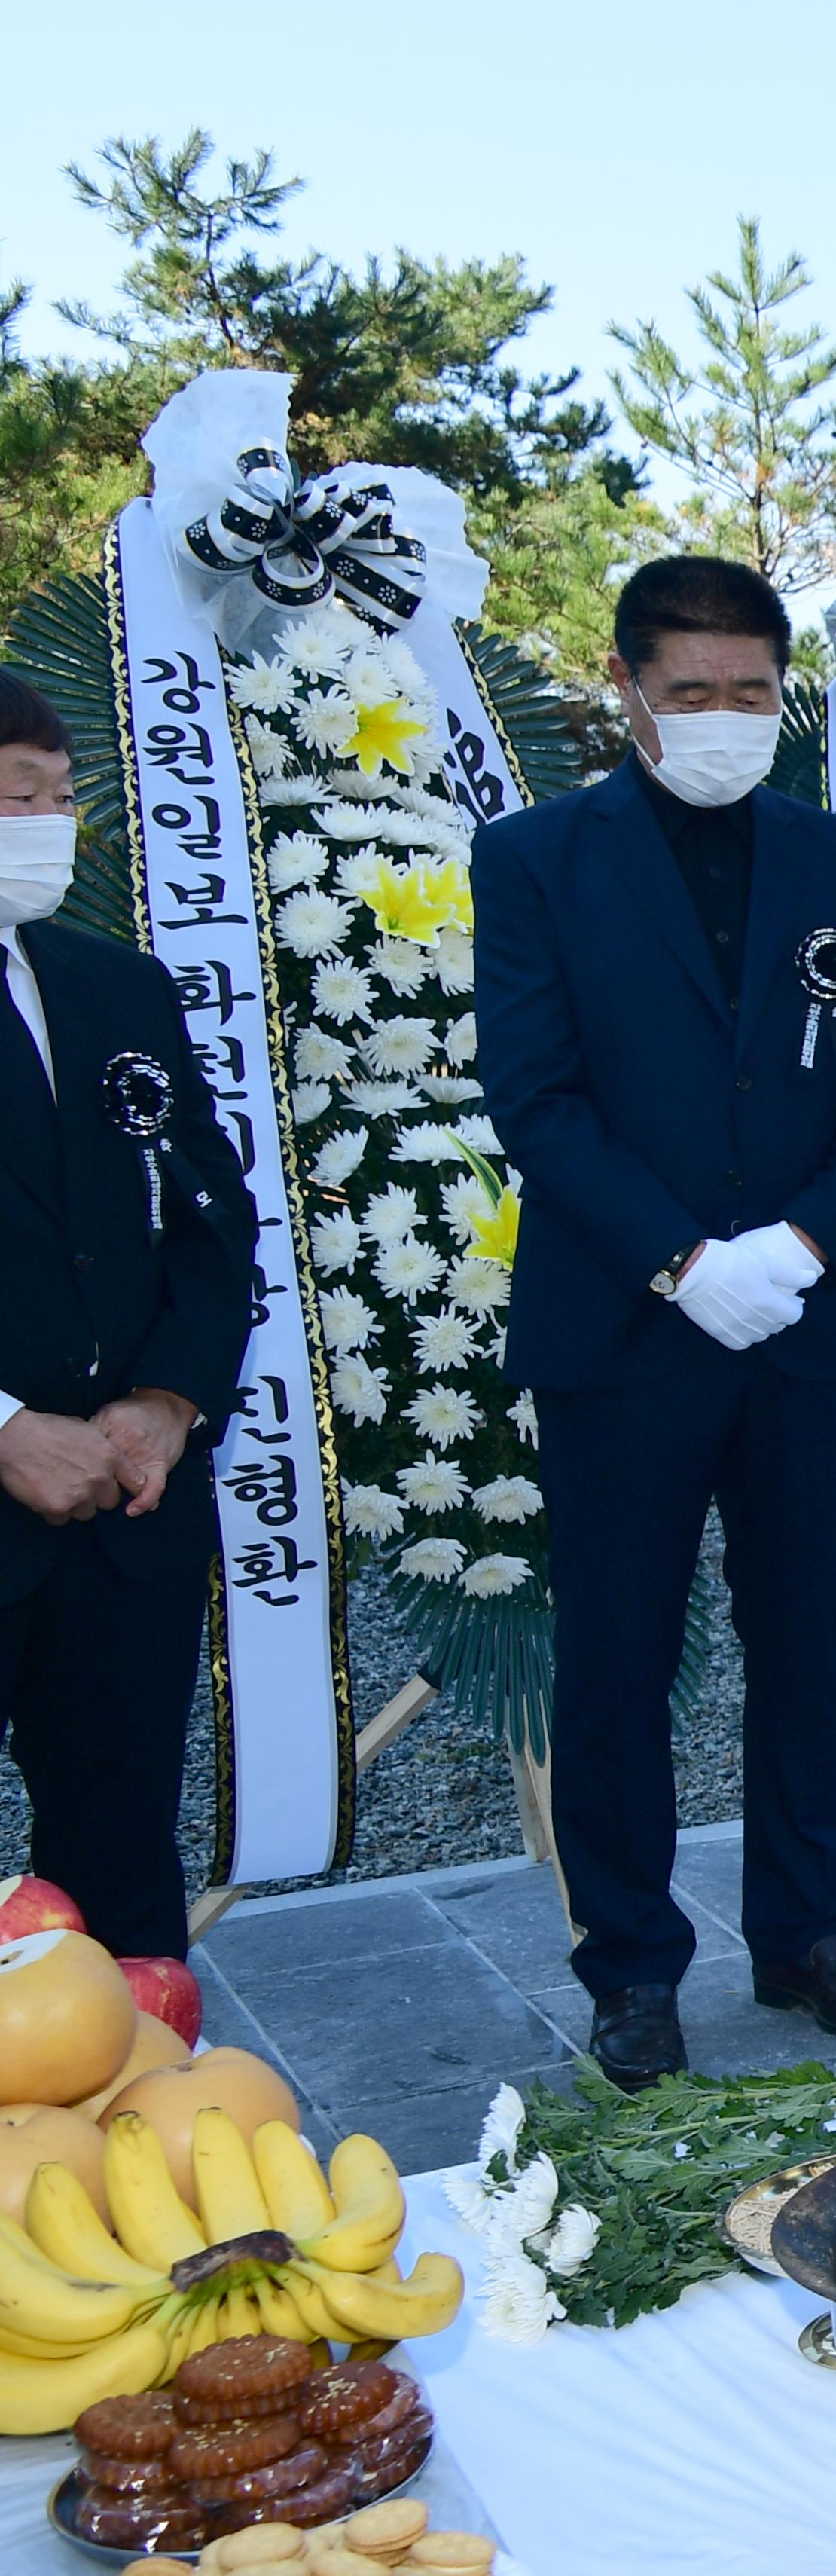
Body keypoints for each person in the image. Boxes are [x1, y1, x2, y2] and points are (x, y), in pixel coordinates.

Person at [471, 557, 836, 2089]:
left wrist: (799, 1243)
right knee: (621, 1651)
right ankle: (631, 1963)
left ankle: (808, 1933)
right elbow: (535, 1096)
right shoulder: (539, 858)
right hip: (629, 1323)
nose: (727, 718)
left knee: (806, 1636)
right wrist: (685, 1260)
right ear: (629, 692)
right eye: (693, 694)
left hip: (804, 1314)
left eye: (753, 692)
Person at [0, 671, 251, 1963]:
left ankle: (127, 2130)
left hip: (125, 1514)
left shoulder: (116, 987)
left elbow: (211, 1221)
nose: (45, 823)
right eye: (13, 796)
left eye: (58, 796)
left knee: (117, 1878)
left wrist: (164, 1402)